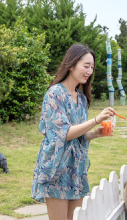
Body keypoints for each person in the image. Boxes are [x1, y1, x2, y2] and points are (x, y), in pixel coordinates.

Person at [31, 43, 116, 220]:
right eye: (86, 66)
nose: (90, 71)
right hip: (57, 168)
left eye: (92, 67)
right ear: (71, 65)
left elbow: (78, 135)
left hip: (76, 169)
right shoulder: (54, 94)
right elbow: (63, 134)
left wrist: (95, 133)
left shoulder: (82, 99)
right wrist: (95, 120)